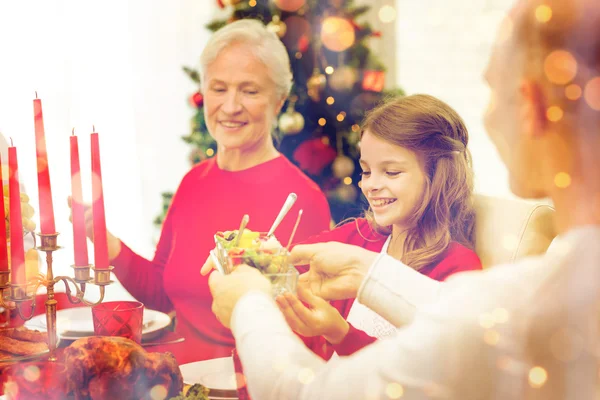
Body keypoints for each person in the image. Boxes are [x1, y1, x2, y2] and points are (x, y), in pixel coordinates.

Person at [207, 0, 600, 398]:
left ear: (531, 106)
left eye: (493, 90)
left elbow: (312, 393)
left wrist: (246, 303)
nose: (488, 116)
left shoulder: (526, 306)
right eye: (366, 170)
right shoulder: (542, 297)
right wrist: (362, 274)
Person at [71, 19, 331, 364]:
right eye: (219, 88)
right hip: (177, 380)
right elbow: (163, 296)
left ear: (280, 100)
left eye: (250, 91)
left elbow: (308, 338)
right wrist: (104, 240)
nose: (231, 106)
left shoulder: (304, 200)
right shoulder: (194, 181)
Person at [259, 94, 483, 357]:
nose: (370, 185)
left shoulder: (459, 270)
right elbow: (283, 258)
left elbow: (423, 370)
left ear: (437, 176)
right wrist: (246, 251)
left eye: (391, 172)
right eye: (366, 171)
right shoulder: (358, 235)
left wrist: (338, 333)